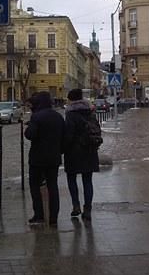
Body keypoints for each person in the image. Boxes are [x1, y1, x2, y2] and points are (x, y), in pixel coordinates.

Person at [24, 91, 65, 226]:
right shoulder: (58, 117)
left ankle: (39, 215)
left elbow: (30, 135)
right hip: (54, 157)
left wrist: (30, 125)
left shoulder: (37, 117)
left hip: (37, 158)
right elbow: (64, 137)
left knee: (35, 186)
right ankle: (53, 218)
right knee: (53, 186)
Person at [63, 88, 101, 221]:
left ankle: (76, 206)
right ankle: (87, 209)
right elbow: (97, 129)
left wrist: (63, 148)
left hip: (73, 152)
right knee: (87, 180)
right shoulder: (90, 112)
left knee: (71, 179)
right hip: (89, 151)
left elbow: (68, 135)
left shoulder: (70, 114)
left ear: (71, 100)